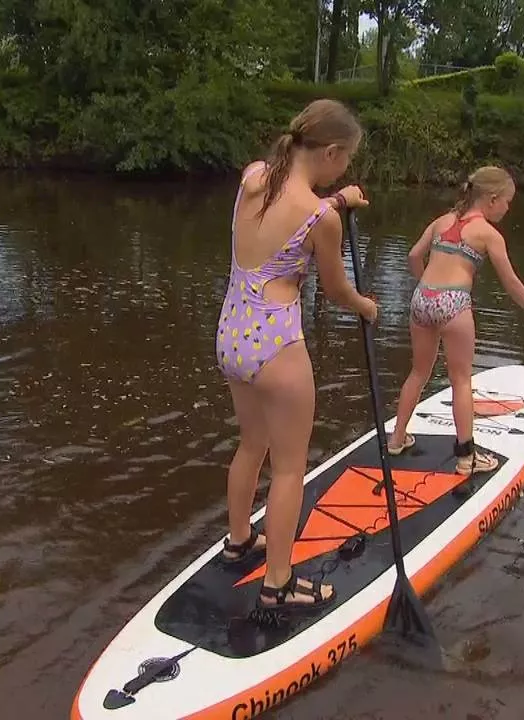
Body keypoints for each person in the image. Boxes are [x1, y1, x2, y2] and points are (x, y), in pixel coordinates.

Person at [215, 99, 377, 611]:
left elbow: (294, 202)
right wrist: (366, 306)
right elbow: (334, 290)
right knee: (289, 469)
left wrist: (337, 200)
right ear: (331, 151)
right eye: (345, 159)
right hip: (277, 346)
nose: (344, 169)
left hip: (231, 335)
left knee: (250, 444)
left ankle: (239, 541)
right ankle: (279, 584)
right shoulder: (318, 220)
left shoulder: (253, 177)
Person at [387, 166, 524, 474]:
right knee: (461, 380)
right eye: (507, 201)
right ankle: (467, 458)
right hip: (453, 302)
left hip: (422, 298)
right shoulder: (488, 234)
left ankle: (397, 439)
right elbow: (511, 283)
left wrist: (426, 287)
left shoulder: (442, 221)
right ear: (492, 200)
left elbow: (414, 255)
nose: (508, 208)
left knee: (418, 372)